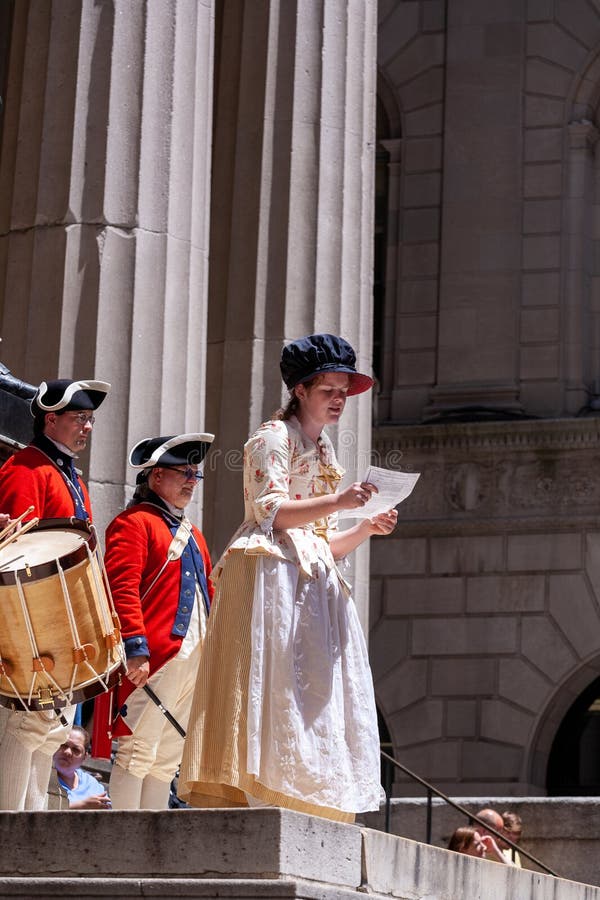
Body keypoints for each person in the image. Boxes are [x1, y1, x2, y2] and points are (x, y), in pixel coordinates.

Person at [179, 333, 399, 822]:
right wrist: (340, 502)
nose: (340, 398)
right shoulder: (271, 437)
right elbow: (271, 512)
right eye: (329, 389)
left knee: (313, 692)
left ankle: (302, 795)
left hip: (310, 579)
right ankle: (258, 789)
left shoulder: (323, 450)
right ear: (300, 390)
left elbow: (322, 541)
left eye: (344, 389)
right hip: (269, 570)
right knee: (269, 684)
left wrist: (364, 527)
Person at [0, 378, 110, 810]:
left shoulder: (66, 474)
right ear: (51, 419)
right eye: (80, 418)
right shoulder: (27, 468)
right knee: (23, 726)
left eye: (90, 419)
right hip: (30, 619)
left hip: (59, 621)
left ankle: (30, 830)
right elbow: (18, 554)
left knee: (47, 729)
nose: (87, 427)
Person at [97, 433, 214, 809]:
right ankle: (123, 851)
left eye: (196, 474)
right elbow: (122, 590)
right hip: (154, 658)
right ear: (156, 476)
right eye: (184, 472)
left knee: (166, 761)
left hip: (192, 660)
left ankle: (152, 856)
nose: (192, 481)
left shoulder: (194, 535)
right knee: (136, 752)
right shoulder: (133, 524)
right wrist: (135, 648)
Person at [51, 726, 111, 809]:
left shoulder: (91, 784)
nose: (67, 752)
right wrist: (82, 805)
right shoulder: (43, 777)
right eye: (63, 745)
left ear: (84, 757)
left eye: (76, 750)